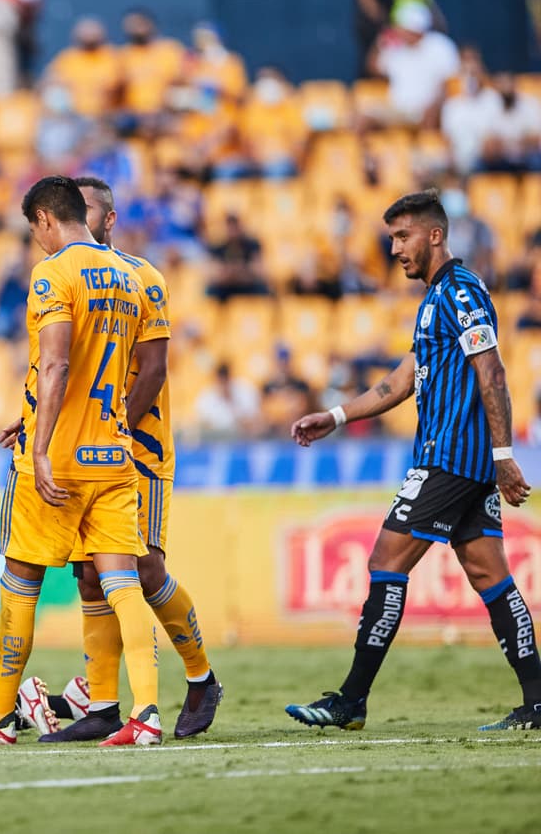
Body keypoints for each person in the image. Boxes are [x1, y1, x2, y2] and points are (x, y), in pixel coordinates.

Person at [286, 191, 539, 732]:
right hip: (465, 466)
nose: (394, 248)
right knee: (489, 573)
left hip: (450, 460)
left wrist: (504, 456)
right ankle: (538, 700)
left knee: (385, 561)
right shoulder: (434, 300)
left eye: (403, 237)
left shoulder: (461, 291)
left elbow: (491, 370)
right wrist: (333, 416)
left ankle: (351, 699)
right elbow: (398, 382)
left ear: (435, 235)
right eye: (391, 237)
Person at [0, 176, 161, 747]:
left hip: (59, 460)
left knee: (21, 581)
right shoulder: (129, 274)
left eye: (33, 230)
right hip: (113, 454)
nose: (35, 242)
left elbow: (58, 366)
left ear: (46, 218)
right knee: (123, 586)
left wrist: (38, 446)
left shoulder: (54, 274)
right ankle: (145, 714)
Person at [37, 177, 223, 745]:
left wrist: (116, 430)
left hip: (139, 449)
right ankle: (103, 705)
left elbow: (155, 369)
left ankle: (201, 675)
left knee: (144, 570)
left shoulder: (143, 277)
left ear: (109, 220)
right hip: (84, 450)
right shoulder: (66, 278)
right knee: (89, 576)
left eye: (89, 214)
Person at [369, 2, 458, 128]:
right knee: (363, 117)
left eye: (402, 28)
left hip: (428, 110)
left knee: (431, 114)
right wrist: (379, 44)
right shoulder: (395, 47)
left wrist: (436, 105)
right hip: (399, 110)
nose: (398, 31)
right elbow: (374, 68)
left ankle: (429, 145)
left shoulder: (440, 47)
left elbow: (450, 83)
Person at [43, 17, 121, 120]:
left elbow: (116, 86)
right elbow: (49, 82)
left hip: (104, 117)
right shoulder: (66, 59)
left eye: (92, 32)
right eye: (85, 32)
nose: (89, 35)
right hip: (73, 117)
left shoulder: (112, 56)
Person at [207, 213, 270, 302]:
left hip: (248, 285)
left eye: (235, 226)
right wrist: (230, 273)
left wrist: (240, 272)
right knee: (210, 292)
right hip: (226, 287)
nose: (232, 231)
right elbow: (214, 274)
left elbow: (260, 271)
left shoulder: (252, 245)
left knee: (264, 290)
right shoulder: (218, 247)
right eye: (230, 226)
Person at [193, 362, 263, 440]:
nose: (223, 384)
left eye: (225, 379)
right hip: (216, 436)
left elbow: (253, 417)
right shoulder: (207, 396)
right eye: (220, 380)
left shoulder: (244, 389)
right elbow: (202, 422)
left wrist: (231, 401)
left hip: (241, 435)